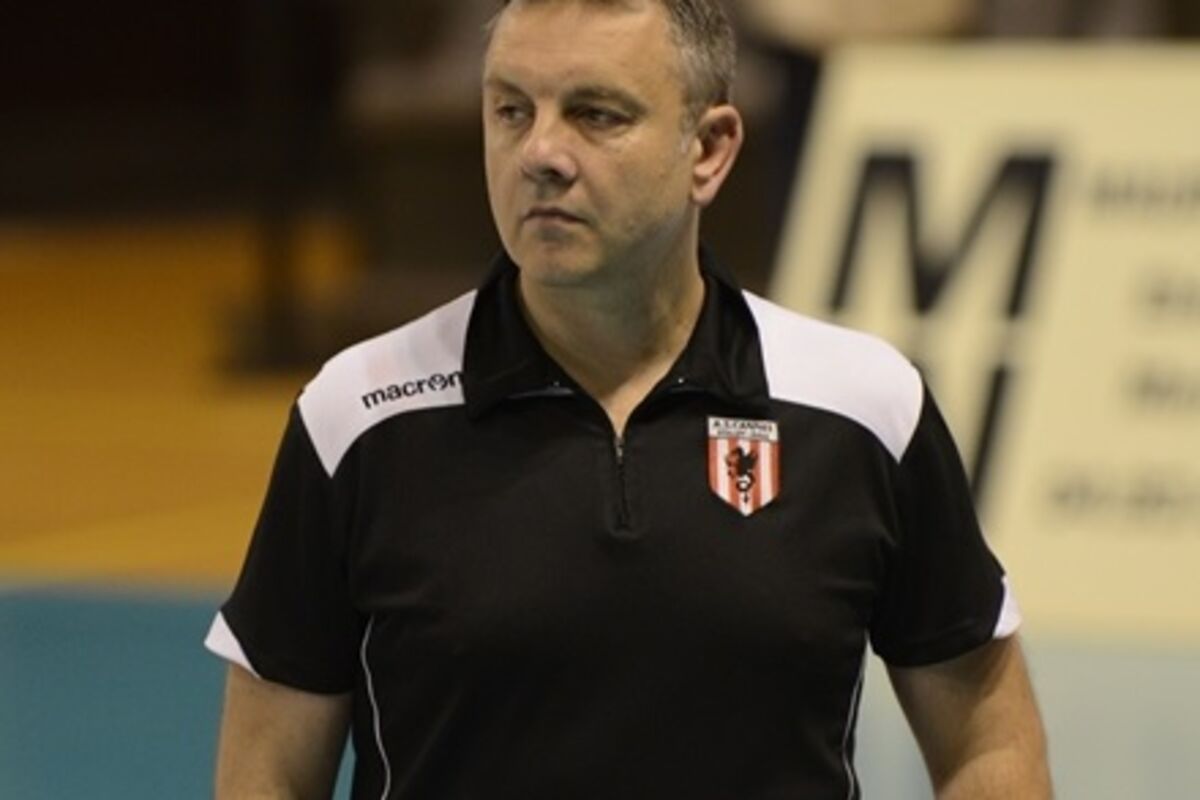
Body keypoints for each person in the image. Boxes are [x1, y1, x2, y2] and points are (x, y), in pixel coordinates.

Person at [205, 0, 1052, 797]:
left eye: (596, 114)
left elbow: (986, 738)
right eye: (511, 110)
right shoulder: (361, 415)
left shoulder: (862, 409)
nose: (540, 152)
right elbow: (267, 772)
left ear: (708, 149)